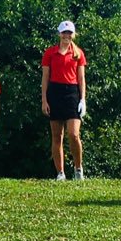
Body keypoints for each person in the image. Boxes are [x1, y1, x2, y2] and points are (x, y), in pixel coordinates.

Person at [41, 20, 88, 180]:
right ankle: (60, 172)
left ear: (73, 35)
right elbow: (45, 78)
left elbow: (81, 78)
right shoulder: (50, 53)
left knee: (74, 134)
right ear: (60, 34)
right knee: (56, 135)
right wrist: (44, 100)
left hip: (72, 93)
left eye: (69, 33)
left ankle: (78, 169)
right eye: (64, 33)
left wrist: (83, 99)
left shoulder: (78, 53)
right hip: (55, 92)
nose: (67, 35)